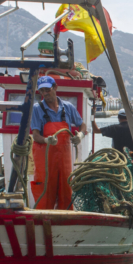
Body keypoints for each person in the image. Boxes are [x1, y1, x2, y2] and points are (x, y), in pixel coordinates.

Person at [30, 76, 88, 210]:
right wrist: (46, 140)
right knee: (45, 192)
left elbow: (82, 125)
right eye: (42, 91)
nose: (45, 93)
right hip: (45, 161)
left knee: (66, 192)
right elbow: (36, 135)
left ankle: (66, 221)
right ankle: (44, 221)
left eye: (47, 90)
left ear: (55, 87)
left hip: (64, 160)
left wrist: (80, 134)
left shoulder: (68, 107)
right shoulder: (37, 109)